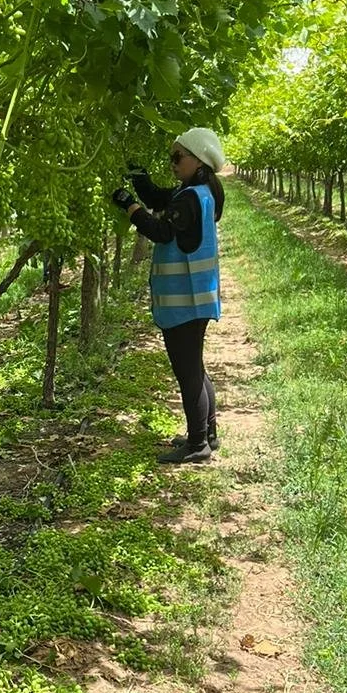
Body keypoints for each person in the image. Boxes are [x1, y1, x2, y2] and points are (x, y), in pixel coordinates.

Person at [112, 126, 226, 465]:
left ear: (198, 160)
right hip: (195, 298)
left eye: (178, 157)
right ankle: (207, 433)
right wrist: (139, 180)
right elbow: (162, 199)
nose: (173, 163)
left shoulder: (192, 197)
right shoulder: (197, 191)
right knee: (195, 366)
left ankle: (197, 446)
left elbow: (161, 231)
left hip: (186, 301)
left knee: (188, 370)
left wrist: (129, 206)